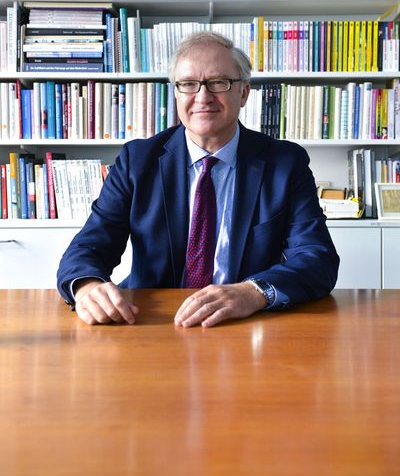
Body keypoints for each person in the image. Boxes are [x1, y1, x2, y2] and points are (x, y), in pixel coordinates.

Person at [57, 32, 339, 327]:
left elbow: (316, 258)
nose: (203, 97)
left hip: (246, 322)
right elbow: (89, 246)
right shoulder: (137, 161)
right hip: (152, 321)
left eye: (218, 82)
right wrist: (87, 286)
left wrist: (254, 292)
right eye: (189, 84)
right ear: (176, 93)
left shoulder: (285, 162)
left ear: (243, 93)